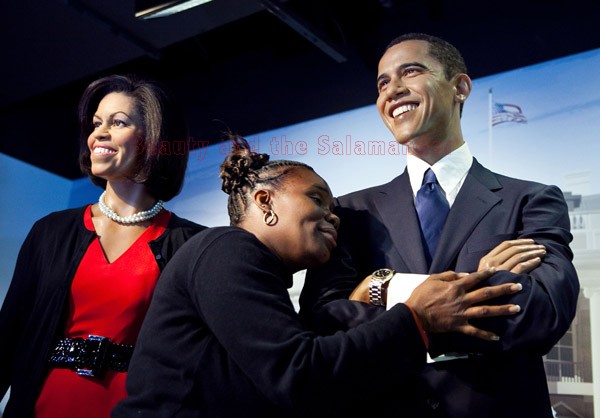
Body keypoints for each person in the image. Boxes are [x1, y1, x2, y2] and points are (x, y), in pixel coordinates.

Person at [111, 136, 540, 418]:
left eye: (334, 207)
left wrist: (376, 289)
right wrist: (417, 317)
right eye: (317, 198)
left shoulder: (254, 272)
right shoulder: (226, 249)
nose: (332, 215)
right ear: (265, 201)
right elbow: (301, 375)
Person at [299, 33, 580, 418]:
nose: (391, 91)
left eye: (409, 72)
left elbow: (544, 311)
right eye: (382, 83)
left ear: (460, 87)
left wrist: (380, 289)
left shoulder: (532, 199)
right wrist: (476, 282)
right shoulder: (350, 213)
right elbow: (324, 320)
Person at [0, 74, 207, 418]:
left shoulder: (191, 245)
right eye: (96, 123)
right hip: (42, 406)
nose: (99, 133)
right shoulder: (50, 232)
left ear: (152, 139)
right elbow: (8, 336)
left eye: (118, 122)